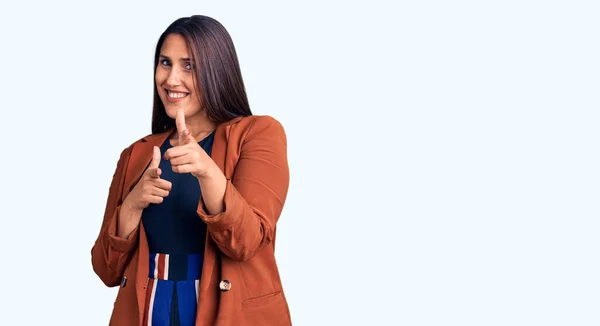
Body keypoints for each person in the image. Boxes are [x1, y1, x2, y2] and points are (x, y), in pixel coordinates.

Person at [91, 15, 292, 326]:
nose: (171, 79)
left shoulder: (259, 133)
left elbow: (247, 242)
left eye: (189, 66)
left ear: (217, 71)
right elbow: (106, 270)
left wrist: (208, 172)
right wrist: (132, 203)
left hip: (225, 312)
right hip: (150, 306)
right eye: (165, 62)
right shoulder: (137, 153)